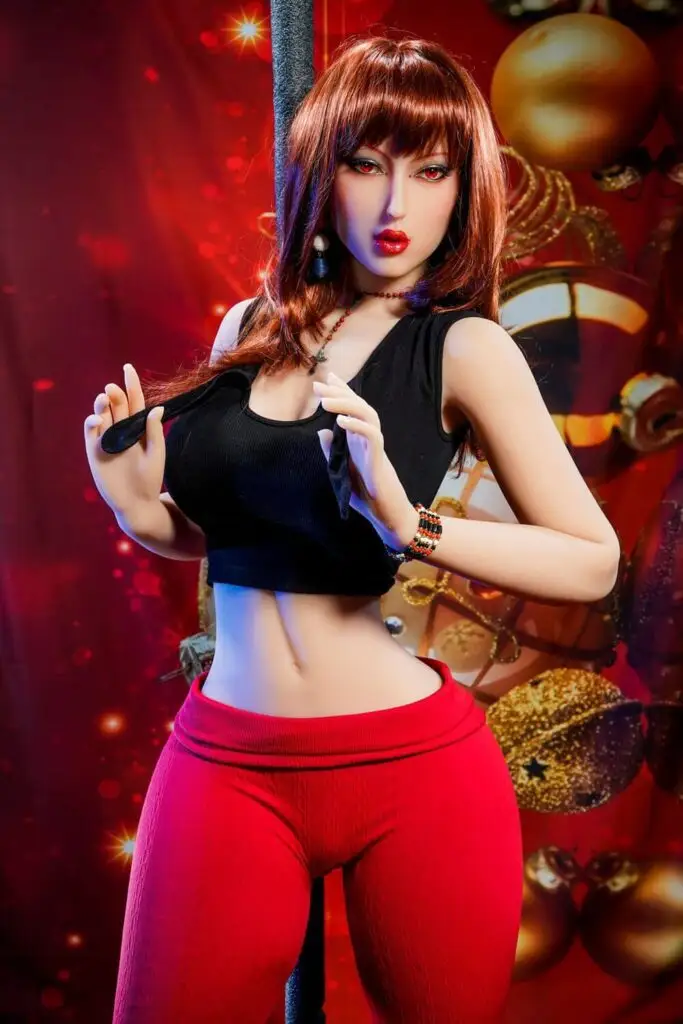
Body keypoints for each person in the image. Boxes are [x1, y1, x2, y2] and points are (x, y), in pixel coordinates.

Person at [84, 33, 620, 1024]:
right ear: (319, 173)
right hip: (228, 757)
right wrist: (135, 504)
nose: (393, 205)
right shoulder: (248, 327)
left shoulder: (463, 347)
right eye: (364, 164)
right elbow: (228, 541)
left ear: (464, 188)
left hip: (414, 766)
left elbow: (592, 561)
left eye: (430, 171)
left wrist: (406, 523)